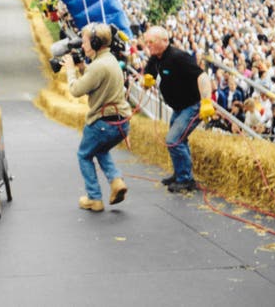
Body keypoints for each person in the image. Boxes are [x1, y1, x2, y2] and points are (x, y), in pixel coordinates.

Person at [62, 23, 132, 212]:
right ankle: (116, 181)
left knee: (84, 155)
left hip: (102, 123)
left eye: (84, 42)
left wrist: (70, 70)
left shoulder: (98, 66)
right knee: (100, 149)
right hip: (121, 123)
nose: (82, 46)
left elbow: (76, 90)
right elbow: (96, 81)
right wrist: (83, 67)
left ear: (95, 42)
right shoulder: (109, 60)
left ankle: (94, 198)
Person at [142, 25, 214, 193]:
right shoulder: (155, 58)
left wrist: (206, 102)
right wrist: (147, 79)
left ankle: (186, 180)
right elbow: (149, 72)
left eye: (151, 42)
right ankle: (180, 173)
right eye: (146, 42)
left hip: (191, 106)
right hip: (178, 107)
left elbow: (202, 76)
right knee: (179, 140)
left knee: (173, 140)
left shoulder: (178, 57)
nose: (148, 45)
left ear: (164, 41)